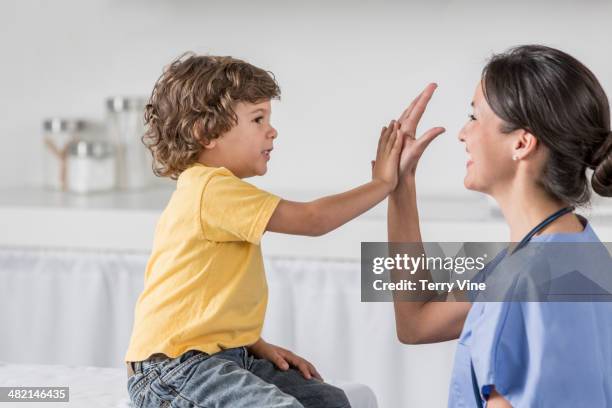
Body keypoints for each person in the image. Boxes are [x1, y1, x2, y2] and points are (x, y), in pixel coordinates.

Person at [124, 53, 404, 408]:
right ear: (206, 132)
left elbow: (201, 302)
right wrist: (381, 184)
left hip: (219, 357)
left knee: (328, 401)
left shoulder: (215, 190)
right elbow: (313, 220)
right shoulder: (210, 189)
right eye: (258, 119)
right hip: (176, 370)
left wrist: (254, 344)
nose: (272, 130)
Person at [387, 45, 612, 407]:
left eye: (474, 117)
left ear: (522, 143)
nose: (462, 133)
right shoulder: (579, 249)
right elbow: (416, 322)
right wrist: (400, 188)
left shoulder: (521, 281)